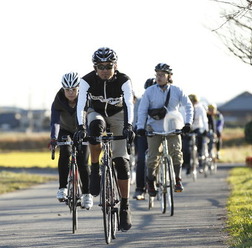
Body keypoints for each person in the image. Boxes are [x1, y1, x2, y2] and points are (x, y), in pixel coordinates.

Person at [75, 47, 134, 232]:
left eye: (109, 66)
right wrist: (80, 127)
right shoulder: (87, 80)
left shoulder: (124, 80)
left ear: (115, 66)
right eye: (100, 66)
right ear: (95, 67)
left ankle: (124, 205)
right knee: (95, 128)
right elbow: (81, 104)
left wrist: (129, 126)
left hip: (119, 116)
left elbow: (129, 103)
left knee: (121, 161)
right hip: (96, 113)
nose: (105, 70)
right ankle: (95, 169)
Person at [136, 63, 193, 196]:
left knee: (176, 152)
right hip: (154, 128)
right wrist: (140, 127)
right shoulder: (149, 91)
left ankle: (178, 179)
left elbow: (188, 106)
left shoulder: (177, 90)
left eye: (162, 75)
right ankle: (150, 181)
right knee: (152, 157)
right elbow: (142, 110)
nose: (159, 77)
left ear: (169, 76)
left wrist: (188, 123)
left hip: (173, 127)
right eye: (157, 75)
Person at [49, 72, 93, 209]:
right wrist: (54, 138)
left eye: (73, 89)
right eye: (67, 89)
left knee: (83, 161)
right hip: (65, 130)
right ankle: (62, 188)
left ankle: (86, 194)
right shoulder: (58, 100)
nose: (71, 93)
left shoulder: (85, 98)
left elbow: (92, 116)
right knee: (65, 152)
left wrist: (91, 135)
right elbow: (55, 121)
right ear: (63, 89)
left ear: (78, 88)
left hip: (83, 130)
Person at [133, 78, 156, 200]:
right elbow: (135, 118)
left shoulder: (162, 101)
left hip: (158, 133)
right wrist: (133, 129)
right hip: (142, 133)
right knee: (141, 159)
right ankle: (139, 189)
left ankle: (161, 179)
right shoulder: (140, 101)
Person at [184, 94, 209, 174]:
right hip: (187, 128)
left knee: (200, 138)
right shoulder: (184, 108)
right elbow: (182, 118)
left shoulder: (200, 108)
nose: (192, 103)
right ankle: (187, 164)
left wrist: (205, 129)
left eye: (194, 101)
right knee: (185, 147)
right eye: (191, 101)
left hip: (197, 127)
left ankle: (200, 154)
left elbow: (204, 119)